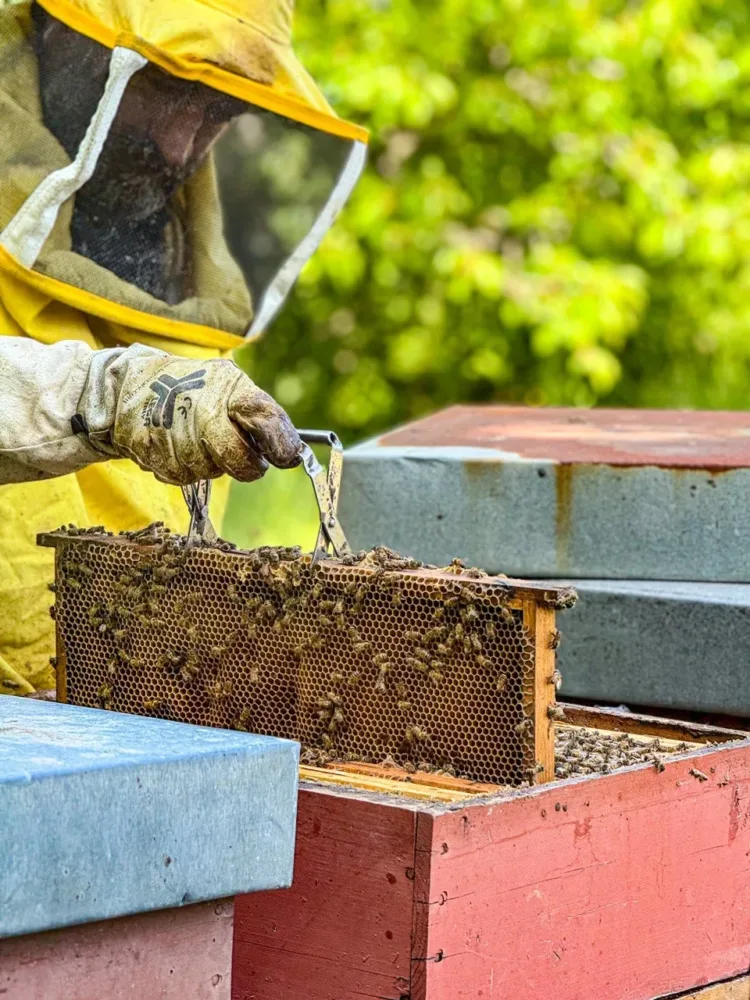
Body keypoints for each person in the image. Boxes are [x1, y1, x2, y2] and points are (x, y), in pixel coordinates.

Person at [0, 0, 367, 694]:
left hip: (113, 739)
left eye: (218, 109)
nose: (180, 145)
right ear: (62, 31)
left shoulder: (187, 267)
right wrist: (105, 394)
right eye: (166, 87)